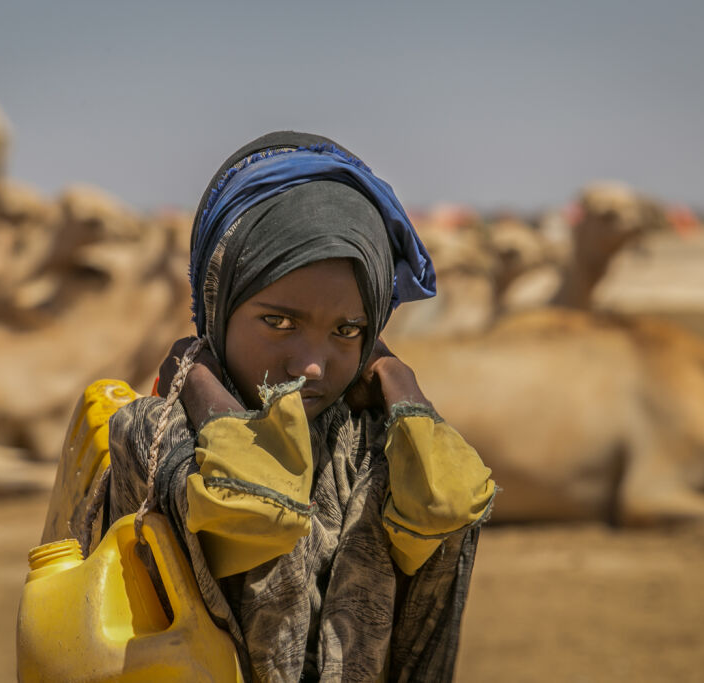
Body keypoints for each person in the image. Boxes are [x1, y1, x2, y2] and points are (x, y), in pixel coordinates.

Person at [106, 131, 496, 682]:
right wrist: (196, 377)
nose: (311, 365)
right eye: (279, 322)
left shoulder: (371, 438)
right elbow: (251, 504)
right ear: (220, 304)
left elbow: (448, 502)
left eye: (347, 329)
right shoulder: (154, 429)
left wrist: (400, 382)